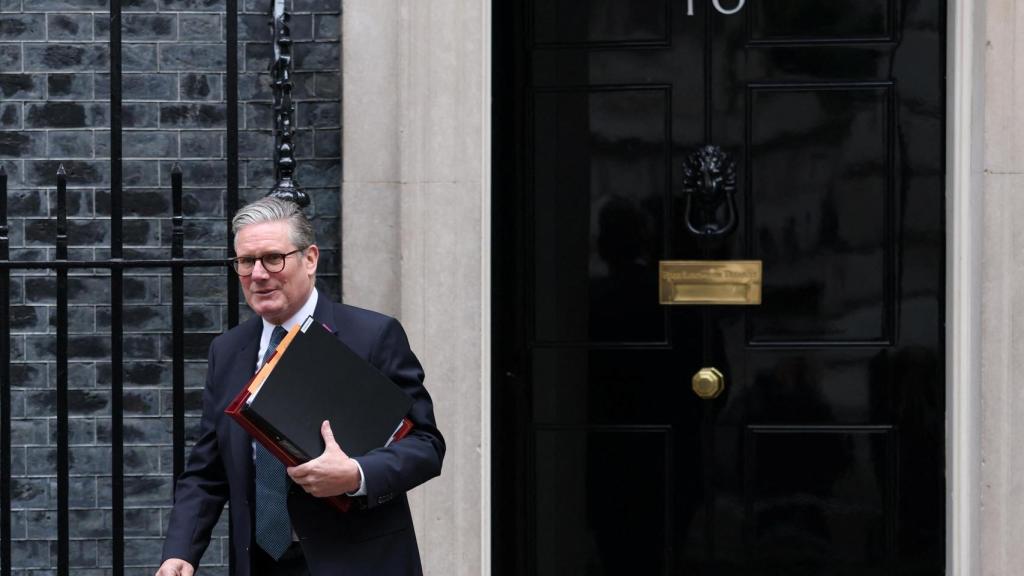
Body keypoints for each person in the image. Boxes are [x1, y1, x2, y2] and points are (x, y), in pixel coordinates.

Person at [156, 197, 445, 576]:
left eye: (273, 258)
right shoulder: (227, 351)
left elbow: (426, 445)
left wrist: (357, 473)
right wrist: (181, 551)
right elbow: (207, 470)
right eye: (246, 262)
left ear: (310, 259)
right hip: (261, 563)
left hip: (357, 562)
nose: (258, 274)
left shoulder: (372, 336)